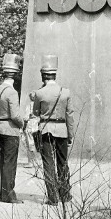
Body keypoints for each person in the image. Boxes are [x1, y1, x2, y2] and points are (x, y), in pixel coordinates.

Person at [32, 55, 75, 205]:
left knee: (48, 164)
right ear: (55, 75)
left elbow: (35, 112)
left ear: (43, 76)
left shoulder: (39, 93)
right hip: (62, 130)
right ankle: (65, 194)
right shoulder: (65, 92)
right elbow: (69, 115)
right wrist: (71, 134)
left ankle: (52, 198)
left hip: (46, 130)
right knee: (63, 163)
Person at [0, 53, 25, 204]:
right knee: (10, 164)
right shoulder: (12, 92)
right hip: (10, 130)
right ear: (15, 76)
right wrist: (23, 123)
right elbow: (15, 116)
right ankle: (9, 195)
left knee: (4, 162)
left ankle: (3, 194)